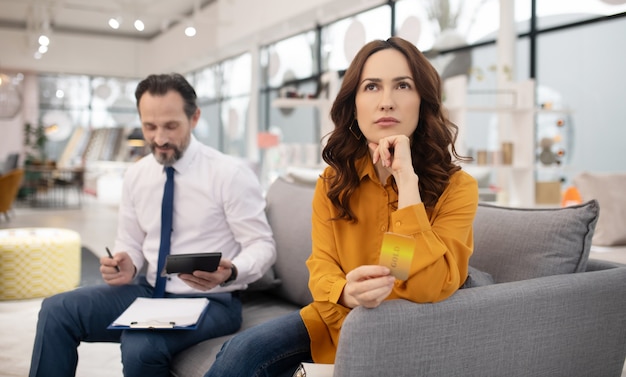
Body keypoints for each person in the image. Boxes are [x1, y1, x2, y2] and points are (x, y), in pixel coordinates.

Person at [204, 37, 479, 377]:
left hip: (402, 332)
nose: (387, 102)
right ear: (354, 104)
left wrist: (406, 182)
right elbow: (321, 268)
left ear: (423, 101)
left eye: (403, 85)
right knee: (239, 354)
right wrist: (348, 291)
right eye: (372, 87)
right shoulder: (332, 183)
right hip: (334, 317)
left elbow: (423, 287)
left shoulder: (458, 188)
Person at [28, 73, 276, 377]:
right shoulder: (137, 175)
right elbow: (129, 241)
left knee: (141, 344)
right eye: (150, 126)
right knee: (57, 310)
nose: (159, 138)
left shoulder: (229, 175)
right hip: (148, 290)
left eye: (171, 126)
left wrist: (232, 270)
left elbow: (262, 245)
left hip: (211, 299)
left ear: (194, 118)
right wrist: (124, 264)